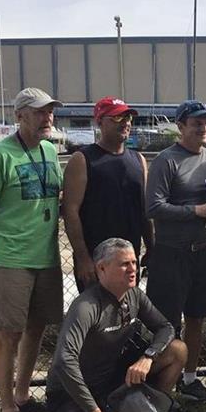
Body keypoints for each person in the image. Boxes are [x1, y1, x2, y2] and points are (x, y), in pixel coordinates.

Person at [0, 87, 65, 412]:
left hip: (46, 257)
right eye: (40, 112)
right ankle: (7, 407)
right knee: (8, 333)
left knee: (37, 328)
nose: (48, 118)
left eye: (50, 112)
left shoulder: (50, 151)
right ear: (20, 115)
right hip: (10, 258)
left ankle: (24, 395)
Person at [46, 238, 187, 412]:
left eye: (134, 262)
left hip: (111, 381)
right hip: (73, 395)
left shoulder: (134, 295)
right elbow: (64, 360)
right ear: (101, 268)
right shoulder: (86, 307)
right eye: (124, 264)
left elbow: (166, 327)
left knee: (177, 351)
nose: (133, 269)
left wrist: (148, 357)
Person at [146, 100, 206, 402]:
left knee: (196, 318)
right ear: (181, 127)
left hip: (202, 251)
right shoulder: (166, 160)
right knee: (165, 323)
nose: (203, 128)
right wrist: (195, 211)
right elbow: (153, 207)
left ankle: (189, 380)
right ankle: (160, 385)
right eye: (196, 123)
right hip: (170, 253)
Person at [62, 97, 152, 292]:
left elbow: (145, 210)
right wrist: (83, 258)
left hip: (129, 259)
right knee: (96, 317)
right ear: (100, 121)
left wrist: (151, 247)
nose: (126, 122)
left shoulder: (139, 160)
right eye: (118, 117)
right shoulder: (82, 160)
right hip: (97, 262)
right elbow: (71, 211)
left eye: (128, 117)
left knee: (126, 314)